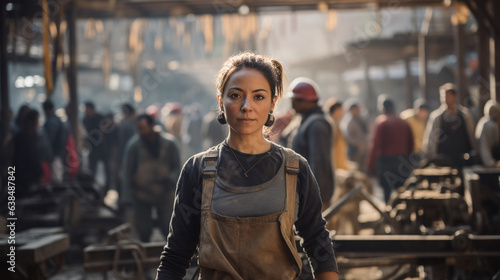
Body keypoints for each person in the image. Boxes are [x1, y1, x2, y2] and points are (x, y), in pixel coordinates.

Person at [156, 52, 338, 280]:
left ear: (273, 103)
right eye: (235, 95)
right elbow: (176, 255)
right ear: (221, 101)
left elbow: (318, 243)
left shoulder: (295, 169)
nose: (246, 106)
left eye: (259, 97)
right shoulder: (198, 170)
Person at [122, 114, 181, 242]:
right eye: (139, 128)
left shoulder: (169, 144)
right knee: (143, 230)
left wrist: (170, 178)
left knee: (168, 227)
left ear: (152, 126)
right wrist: (126, 197)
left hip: (165, 193)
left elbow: (177, 167)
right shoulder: (134, 147)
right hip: (141, 195)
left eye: (143, 128)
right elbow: (127, 173)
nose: (141, 131)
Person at [285, 77, 335, 206]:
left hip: (313, 197)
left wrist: (313, 198)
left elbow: (319, 162)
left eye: (293, 100)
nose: (291, 104)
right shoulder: (305, 120)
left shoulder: (317, 124)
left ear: (303, 101)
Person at [366, 96, 414, 203]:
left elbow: (375, 146)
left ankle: (388, 216)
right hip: (403, 161)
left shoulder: (381, 122)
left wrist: (369, 167)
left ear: (382, 108)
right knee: (402, 192)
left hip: (386, 163)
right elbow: (411, 143)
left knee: (387, 193)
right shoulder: (403, 122)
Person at [423, 83, 477, 168]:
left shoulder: (465, 115)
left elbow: (472, 135)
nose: (444, 99)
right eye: (443, 96)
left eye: (447, 96)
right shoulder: (437, 117)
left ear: (454, 96)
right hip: (442, 159)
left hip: (462, 158)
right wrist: (427, 156)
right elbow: (430, 138)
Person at [340, 101, 369, 171]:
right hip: (354, 151)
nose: (357, 110)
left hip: (363, 150)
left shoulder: (361, 119)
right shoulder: (350, 122)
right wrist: (360, 142)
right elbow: (348, 138)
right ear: (351, 110)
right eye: (355, 109)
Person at [325, 98, 349, 171]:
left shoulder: (335, 123)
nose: (343, 112)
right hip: (334, 164)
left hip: (339, 162)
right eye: (341, 110)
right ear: (336, 110)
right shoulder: (330, 124)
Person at [476, 99, 500, 167]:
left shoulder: (484, 121)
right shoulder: (490, 125)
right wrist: (490, 163)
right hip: (487, 162)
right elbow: (485, 146)